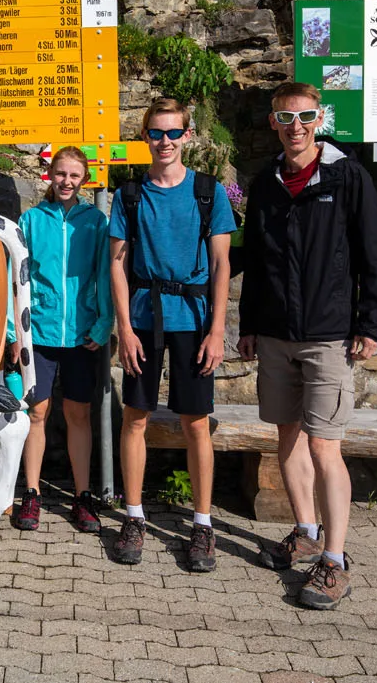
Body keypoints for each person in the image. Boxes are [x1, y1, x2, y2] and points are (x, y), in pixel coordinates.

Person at [237, 82, 377, 609]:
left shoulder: (348, 178)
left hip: (328, 336)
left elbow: (374, 254)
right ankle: (304, 530)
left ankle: (334, 559)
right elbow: (256, 261)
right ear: (274, 122)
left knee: (325, 445)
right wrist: (249, 324)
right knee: (287, 437)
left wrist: (370, 324)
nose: (295, 126)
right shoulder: (266, 181)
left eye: (303, 116)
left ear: (318, 118)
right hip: (276, 335)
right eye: (285, 117)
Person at [107, 98, 235, 569]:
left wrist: (218, 329)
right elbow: (117, 264)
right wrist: (124, 328)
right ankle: (134, 516)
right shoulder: (130, 195)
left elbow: (222, 264)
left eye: (173, 133)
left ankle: (202, 525)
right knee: (135, 417)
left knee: (196, 423)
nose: (165, 142)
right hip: (143, 318)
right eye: (156, 133)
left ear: (188, 136)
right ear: (145, 137)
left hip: (195, 321)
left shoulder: (208, 192)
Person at [10, 146, 113, 533]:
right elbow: (16, 278)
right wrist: (16, 332)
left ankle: (83, 496)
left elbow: (105, 274)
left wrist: (104, 324)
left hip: (84, 336)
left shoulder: (96, 222)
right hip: (40, 333)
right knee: (36, 413)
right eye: (60, 174)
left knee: (78, 415)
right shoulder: (32, 220)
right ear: (49, 176)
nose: (67, 181)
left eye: (74, 175)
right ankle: (32, 493)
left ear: (84, 179)